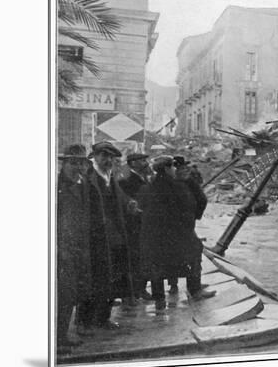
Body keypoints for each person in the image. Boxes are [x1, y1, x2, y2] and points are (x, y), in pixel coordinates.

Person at [139, 155, 215, 311]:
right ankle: (195, 290)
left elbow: (143, 211)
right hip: (178, 235)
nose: (175, 170)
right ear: (167, 169)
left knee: (157, 266)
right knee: (193, 255)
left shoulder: (147, 187)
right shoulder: (178, 188)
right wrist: (188, 225)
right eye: (173, 167)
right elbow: (191, 206)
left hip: (154, 236)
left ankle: (159, 299)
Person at [77, 141, 137, 331]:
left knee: (113, 279)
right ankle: (84, 322)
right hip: (95, 239)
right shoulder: (88, 177)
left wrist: (130, 204)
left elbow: (120, 197)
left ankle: (103, 318)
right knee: (93, 280)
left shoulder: (109, 177)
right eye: (104, 156)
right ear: (94, 157)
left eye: (111, 157)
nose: (108, 160)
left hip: (114, 238)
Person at [56, 144, 92, 353]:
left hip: (77, 247)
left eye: (81, 163)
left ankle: (61, 335)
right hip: (60, 250)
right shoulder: (56, 186)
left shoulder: (82, 184)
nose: (77, 167)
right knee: (59, 295)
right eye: (72, 163)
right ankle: (56, 340)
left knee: (69, 294)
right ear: (64, 164)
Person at [119, 153, 153, 301]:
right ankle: (134, 291)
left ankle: (138, 289)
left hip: (142, 222)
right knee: (134, 258)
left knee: (141, 257)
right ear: (132, 163)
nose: (145, 163)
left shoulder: (141, 177)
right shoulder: (128, 180)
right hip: (133, 224)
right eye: (142, 161)